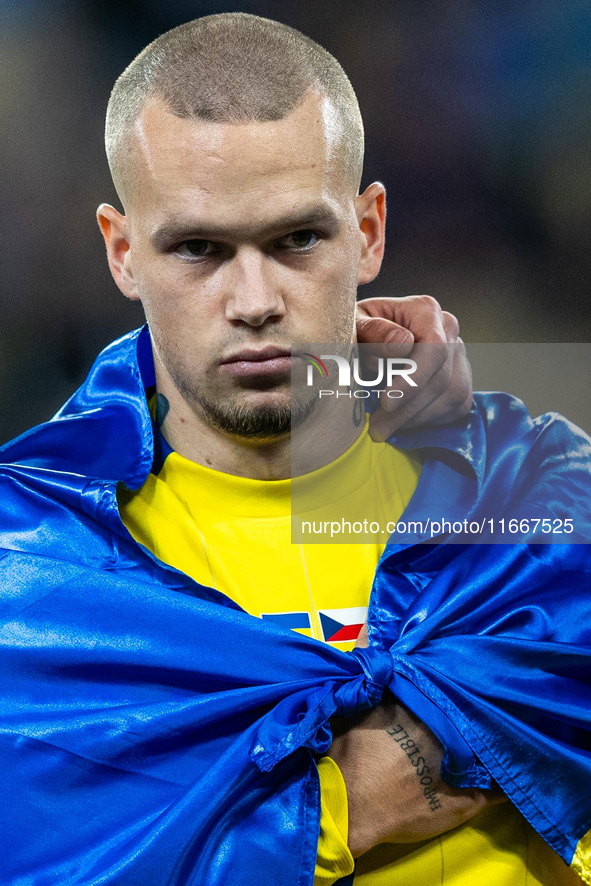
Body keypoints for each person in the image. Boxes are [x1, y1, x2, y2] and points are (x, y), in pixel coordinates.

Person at [0, 13, 589, 886]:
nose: (253, 299)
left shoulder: (540, 500)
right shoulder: (32, 581)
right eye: (198, 248)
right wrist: (367, 793)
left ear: (369, 230)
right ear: (122, 254)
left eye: (296, 241)